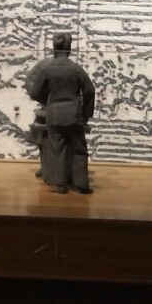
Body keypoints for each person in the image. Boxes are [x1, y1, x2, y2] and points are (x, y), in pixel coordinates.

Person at [26, 32, 95, 194]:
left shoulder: (47, 69)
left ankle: (60, 184)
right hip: (73, 115)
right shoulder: (75, 69)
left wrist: (48, 101)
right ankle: (81, 184)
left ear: (54, 48)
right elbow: (89, 91)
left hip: (54, 115)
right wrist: (86, 113)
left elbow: (34, 92)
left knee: (57, 149)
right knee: (79, 150)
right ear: (69, 49)